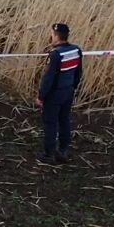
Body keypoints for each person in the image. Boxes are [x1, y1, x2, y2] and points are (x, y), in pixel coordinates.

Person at [36, 23, 83, 164]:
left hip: (55, 94)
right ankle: (63, 151)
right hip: (68, 92)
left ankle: (48, 154)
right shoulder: (76, 50)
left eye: (52, 34)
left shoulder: (56, 55)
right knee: (64, 120)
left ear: (56, 36)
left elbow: (48, 78)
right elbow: (78, 72)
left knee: (50, 123)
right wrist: (73, 87)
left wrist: (41, 96)